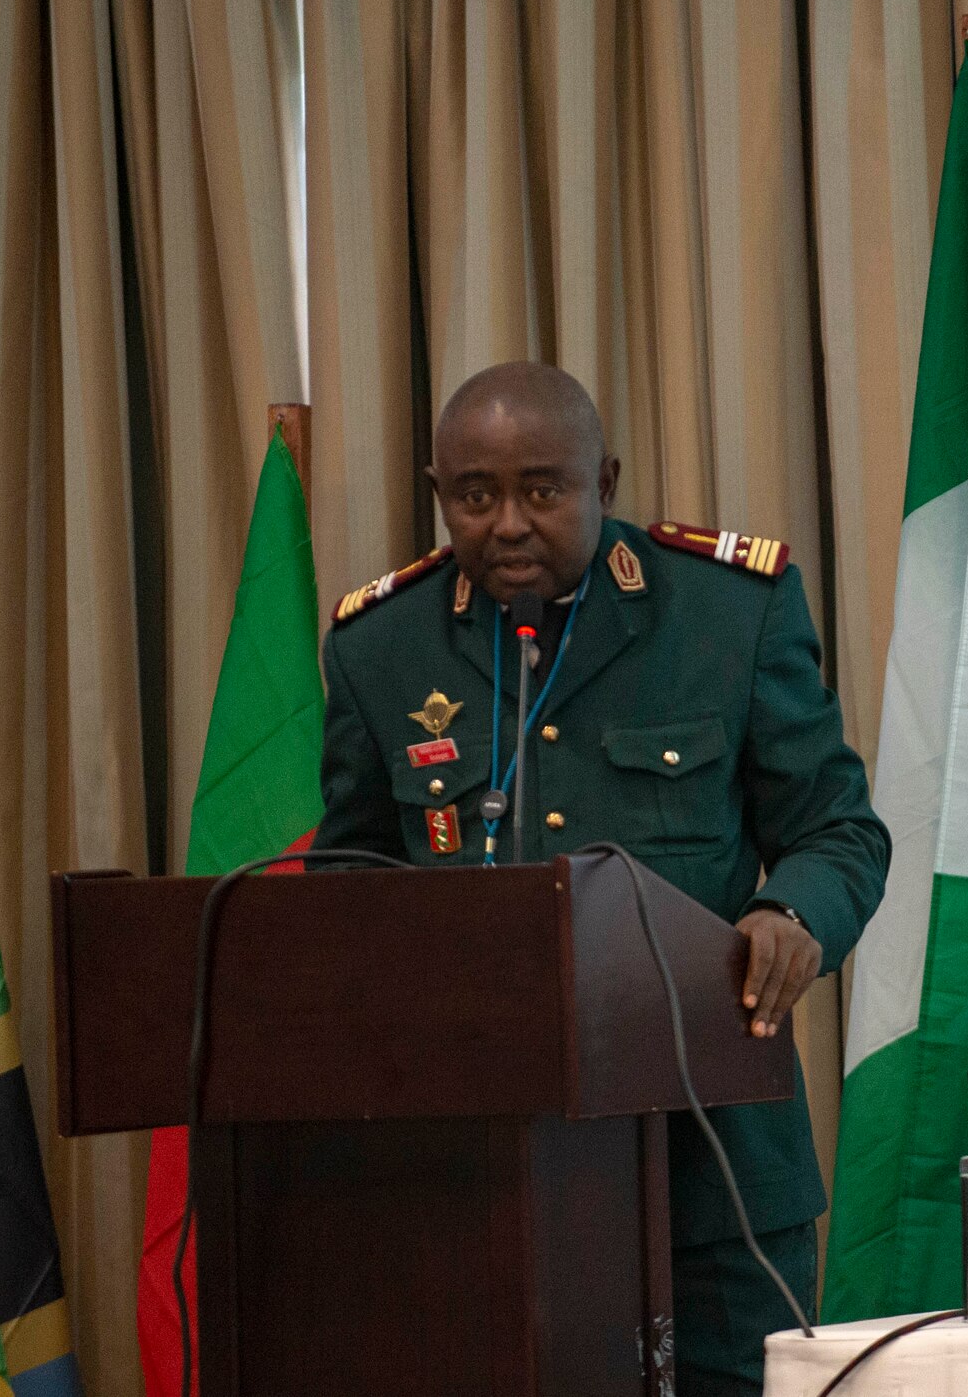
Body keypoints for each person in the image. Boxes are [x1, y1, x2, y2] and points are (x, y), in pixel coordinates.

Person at [312, 360, 889, 1395]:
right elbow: (346, 880)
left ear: (604, 481)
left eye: (543, 489)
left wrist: (790, 912)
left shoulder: (725, 611)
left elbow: (837, 830)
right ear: (437, 492)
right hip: (475, 1173)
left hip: (714, 1171)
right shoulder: (381, 647)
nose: (508, 524)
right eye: (473, 497)